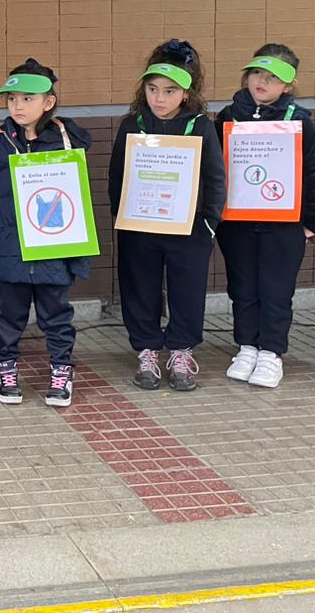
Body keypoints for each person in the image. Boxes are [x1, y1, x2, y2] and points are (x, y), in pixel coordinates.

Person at [0, 59, 91, 408]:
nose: (18, 106)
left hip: (54, 248)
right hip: (9, 250)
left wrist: (78, 256)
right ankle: (6, 368)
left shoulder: (66, 142)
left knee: (57, 315)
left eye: (27, 98)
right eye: (12, 99)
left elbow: (77, 200)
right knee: (7, 315)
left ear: (48, 102)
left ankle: (61, 370)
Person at [108, 39, 225, 392]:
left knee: (187, 289)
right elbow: (117, 176)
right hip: (139, 226)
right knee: (139, 287)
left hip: (189, 229)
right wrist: (123, 216)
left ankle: (181, 351)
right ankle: (147, 350)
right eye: (153, 89)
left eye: (170, 91)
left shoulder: (200, 125)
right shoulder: (132, 124)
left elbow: (215, 177)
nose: (159, 98)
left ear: (186, 93)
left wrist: (209, 223)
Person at [215, 45, 315, 389]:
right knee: (242, 288)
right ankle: (247, 347)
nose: (261, 82)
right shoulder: (227, 116)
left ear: (288, 85)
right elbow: (214, 169)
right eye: (256, 74)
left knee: (276, 290)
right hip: (237, 224)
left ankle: (271, 352)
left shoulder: (299, 120)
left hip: (284, 225)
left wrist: (314, 221)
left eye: (272, 77)